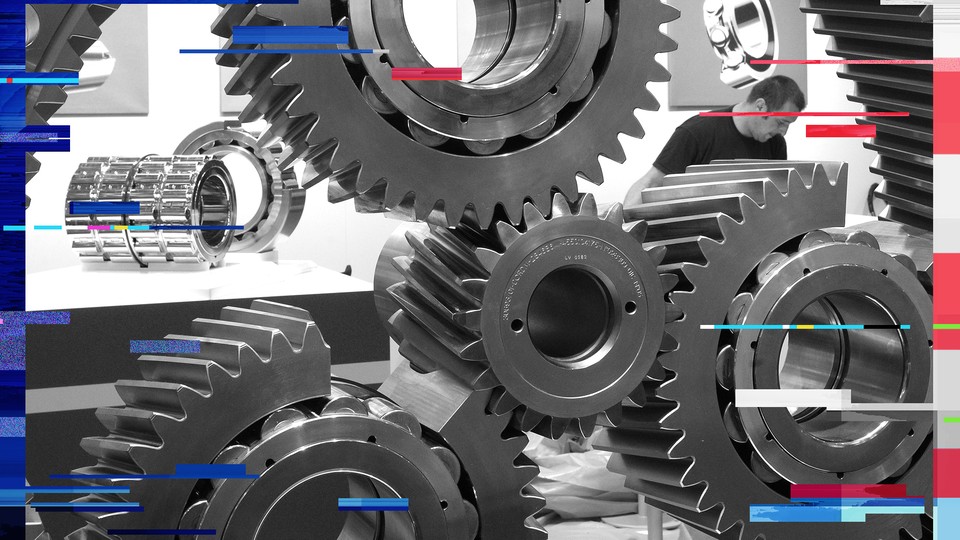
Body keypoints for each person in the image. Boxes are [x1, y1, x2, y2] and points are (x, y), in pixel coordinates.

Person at [624, 75, 806, 207]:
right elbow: (650, 182)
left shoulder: (775, 144)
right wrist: (623, 228)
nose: (783, 132)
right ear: (760, 106)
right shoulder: (696, 132)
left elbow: (777, 198)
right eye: (781, 123)